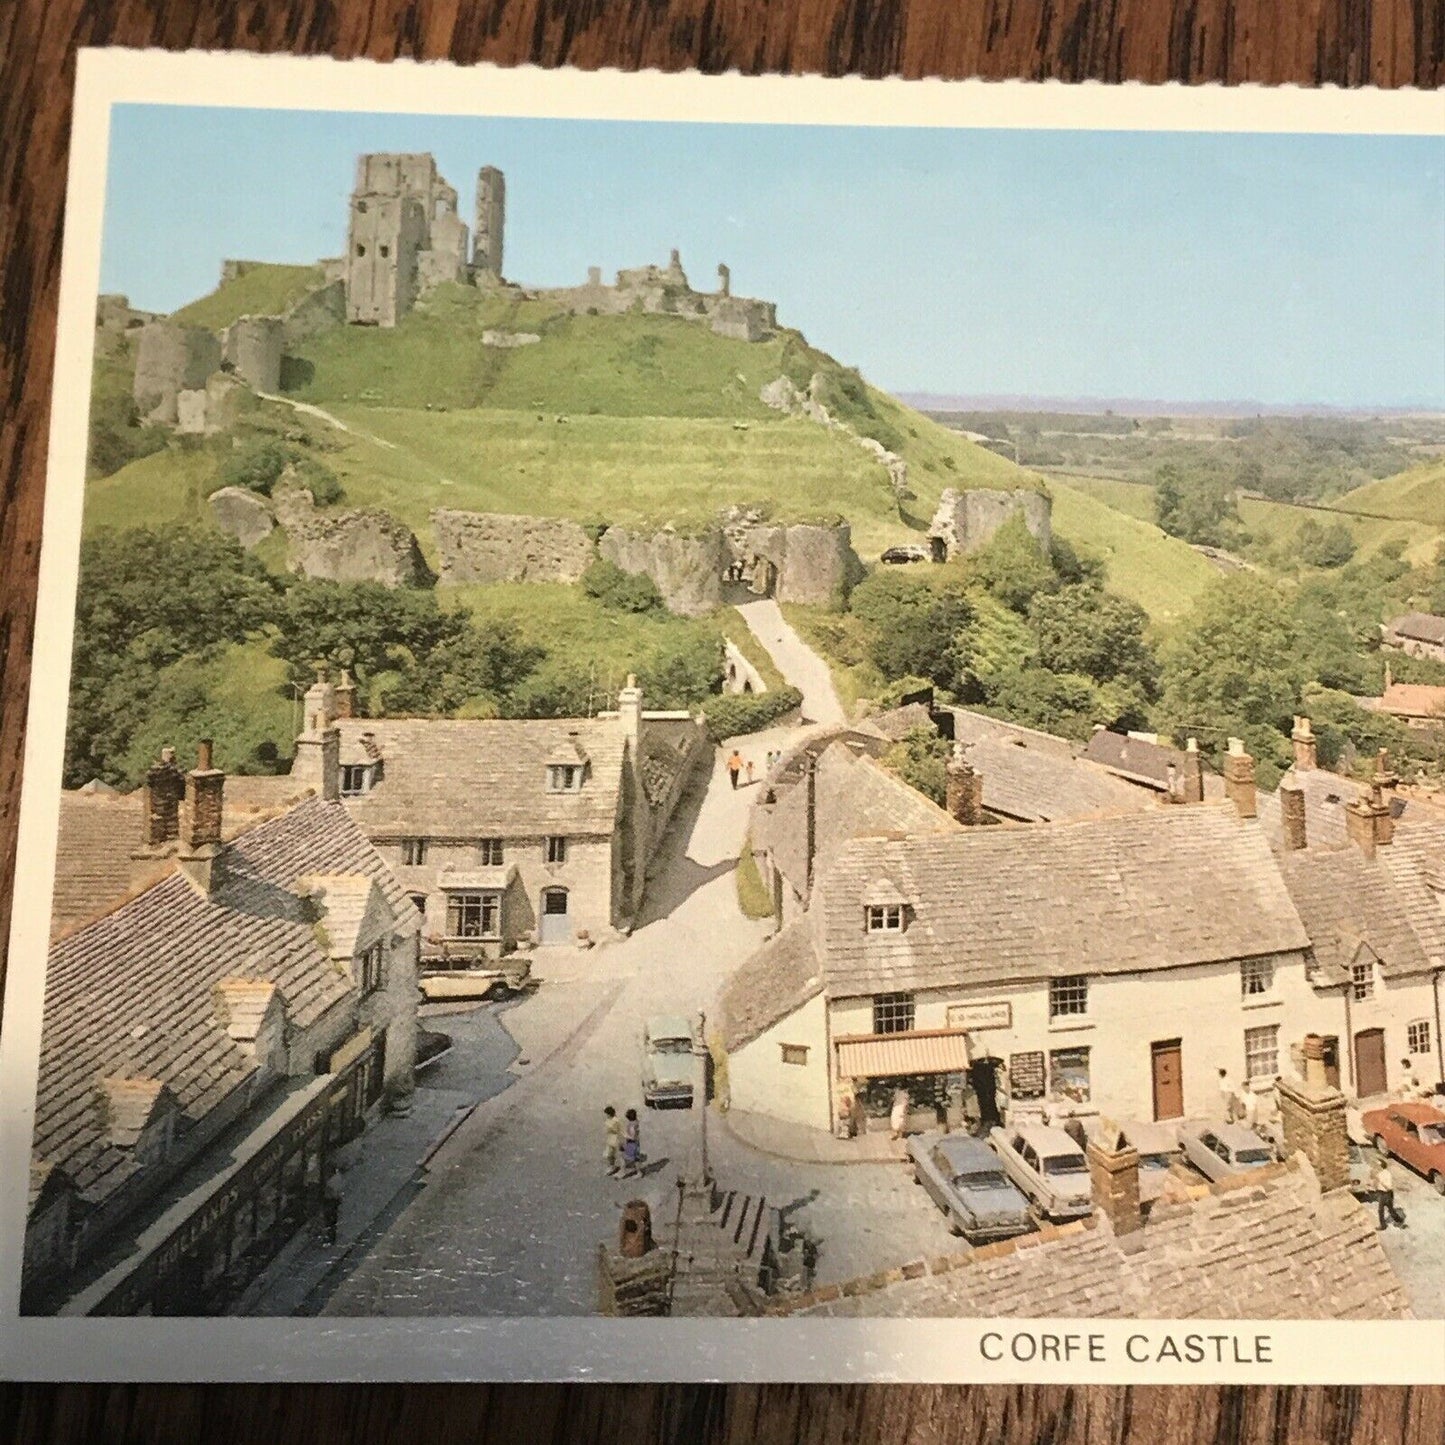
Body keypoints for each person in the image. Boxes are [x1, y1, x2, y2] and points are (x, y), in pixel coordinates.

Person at [1375, 1155, 1406, 1230]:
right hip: (1381, 1193)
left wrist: (1381, 1181)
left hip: (1385, 1193)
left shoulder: (1386, 1174)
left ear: (1381, 1166)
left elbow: (1388, 1186)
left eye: (1377, 1165)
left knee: (1380, 1210)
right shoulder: (1379, 1173)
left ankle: (1383, 1225)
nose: (1376, 1166)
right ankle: (1398, 1219)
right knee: (1390, 1208)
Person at [620, 1107, 642, 1178]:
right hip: (636, 1143)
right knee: (636, 1158)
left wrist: (624, 1135)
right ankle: (639, 1173)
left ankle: (622, 1172)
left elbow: (632, 1137)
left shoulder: (631, 1125)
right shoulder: (636, 1122)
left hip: (631, 1144)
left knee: (624, 1158)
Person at [603, 1105, 622, 1176]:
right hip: (610, 1138)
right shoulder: (611, 1120)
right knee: (610, 1154)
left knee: (609, 1154)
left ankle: (612, 1167)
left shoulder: (615, 1121)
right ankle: (612, 1166)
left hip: (614, 1138)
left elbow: (618, 1130)